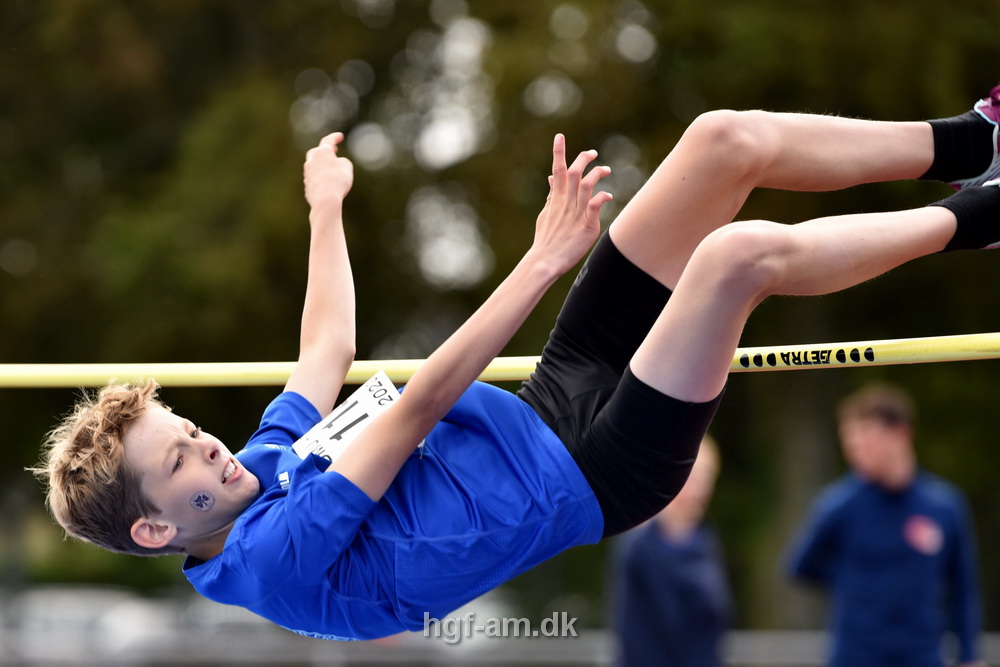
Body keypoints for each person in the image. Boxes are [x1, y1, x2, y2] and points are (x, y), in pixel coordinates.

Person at [33, 82, 1000, 641]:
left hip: (554, 397)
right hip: (604, 471)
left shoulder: (264, 471)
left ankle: (977, 136)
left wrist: (325, 206)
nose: (211, 449)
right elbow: (415, 409)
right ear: (158, 528)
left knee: (720, 143)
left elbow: (324, 345)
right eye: (186, 462)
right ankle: (980, 216)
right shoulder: (273, 559)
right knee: (732, 259)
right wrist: (544, 258)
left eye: (193, 432)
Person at [785, 384, 983, 667]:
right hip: (855, 656)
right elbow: (799, 566)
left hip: (922, 656)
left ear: (901, 434)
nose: (856, 453)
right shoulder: (840, 505)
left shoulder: (944, 506)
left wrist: (969, 657)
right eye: (850, 444)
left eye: (866, 441)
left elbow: (963, 589)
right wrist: (856, 584)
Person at [610, 435, 731, 667]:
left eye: (707, 478)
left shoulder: (706, 541)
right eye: (694, 478)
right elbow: (636, 636)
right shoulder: (640, 547)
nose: (700, 490)